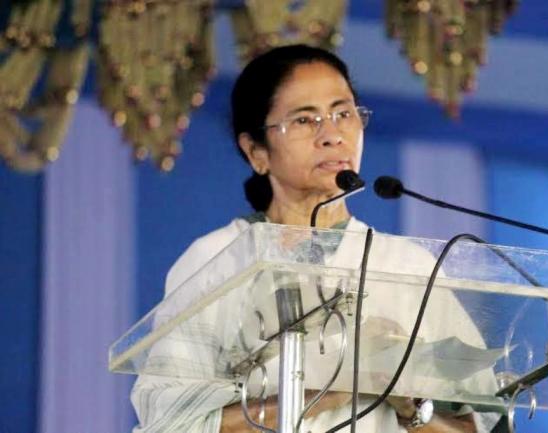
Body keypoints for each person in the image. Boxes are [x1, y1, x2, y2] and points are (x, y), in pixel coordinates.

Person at [131, 44, 500, 433]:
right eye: (305, 120)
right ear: (256, 151)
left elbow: (483, 427)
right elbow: (170, 423)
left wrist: (407, 405)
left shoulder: (409, 268)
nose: (332, 135)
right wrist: (327, 391)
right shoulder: (218, 259)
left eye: (344, 114)